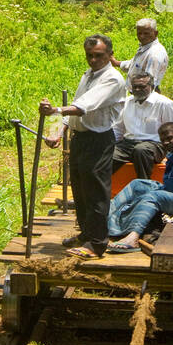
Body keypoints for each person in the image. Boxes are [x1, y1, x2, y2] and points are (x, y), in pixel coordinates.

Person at [39, 34, 126, 259]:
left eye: (98, 56)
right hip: (81, 139)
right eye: (89, 56)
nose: (93, 60)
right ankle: (86, 234)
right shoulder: (88, 75)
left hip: (98, 140)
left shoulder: (112, 79)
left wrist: (56, 111)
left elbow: (83, 106)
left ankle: (97, 244)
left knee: (96, 192)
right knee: (79, 190)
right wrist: (58, 131)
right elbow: (75, 110)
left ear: (110, 55)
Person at [106, 121, 173, 253]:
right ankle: (104, 219)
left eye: (170, 138)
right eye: (163, 140)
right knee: (138, 184)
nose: (166, 143)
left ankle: (133, 237)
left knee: (154, 197)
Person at [112, 71, 173, 179]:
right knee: (106, 156)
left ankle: (143, 185)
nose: (137, 90)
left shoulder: (165, 104)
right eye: (135, 87)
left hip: (155, 145)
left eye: (141, 86)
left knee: (141, 150)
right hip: (128, 144)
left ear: (151, 86)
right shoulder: (127, 102)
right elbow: (118, 129)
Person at [111, 17, 168, 90]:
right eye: (139, 33)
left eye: (146, 33)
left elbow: (150, 82)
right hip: (138, 93)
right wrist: (116, 63)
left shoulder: (155, 53)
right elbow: (135, 65)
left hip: (144, 95)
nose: (142, 36)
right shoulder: (145, 48)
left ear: (155, 33)